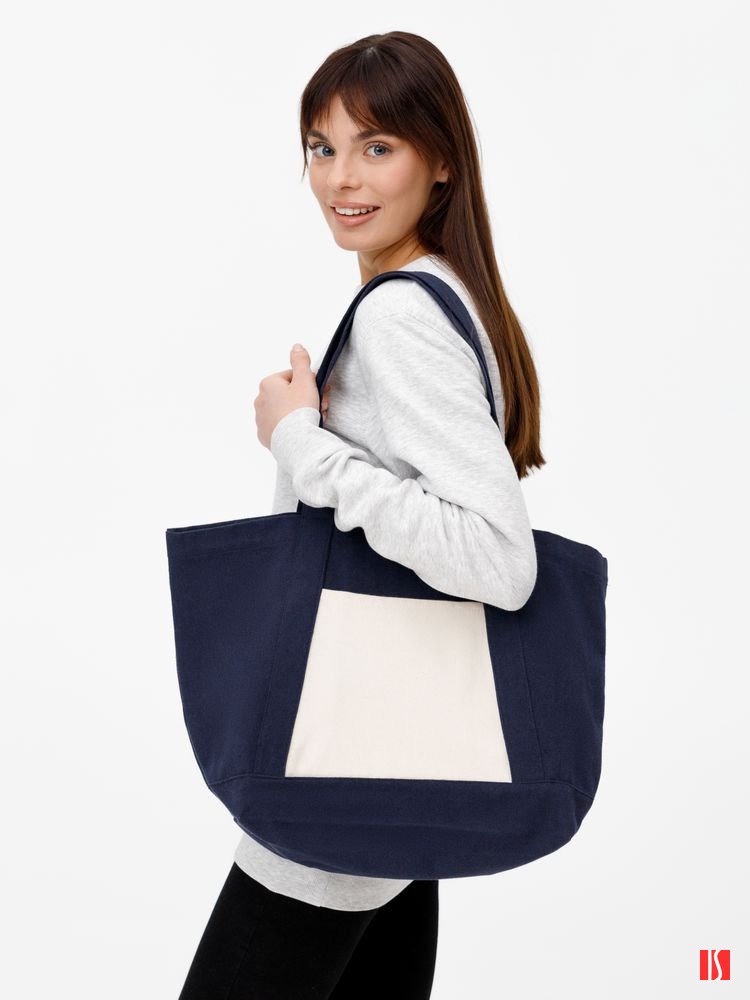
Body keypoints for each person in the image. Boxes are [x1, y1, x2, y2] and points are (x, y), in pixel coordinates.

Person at [179, 29, 544, 1000]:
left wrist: (301, 443)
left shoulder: (402, 316)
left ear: (441, 160)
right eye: (321, 146)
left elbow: (498, 556)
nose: (341, 177)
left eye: (377, 146)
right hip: (396, 770)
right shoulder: (448, 294)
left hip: (340, 775)